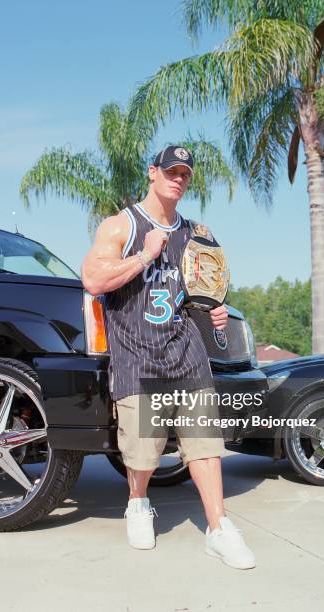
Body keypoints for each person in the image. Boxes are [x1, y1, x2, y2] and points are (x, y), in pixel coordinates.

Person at [81, 145, 255, 569]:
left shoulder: (197, 233)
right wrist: (145, 254)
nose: (179, 178)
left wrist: (213, 307)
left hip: (186, 351)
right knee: (143, 451)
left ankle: (219, 528)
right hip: (138, 354)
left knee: (205, 445)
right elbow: (92, 278)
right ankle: (138, 503)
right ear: (152, 172)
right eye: (172, 170)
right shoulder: (122, 226)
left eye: (186, 174)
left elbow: (206, 286)